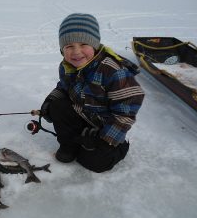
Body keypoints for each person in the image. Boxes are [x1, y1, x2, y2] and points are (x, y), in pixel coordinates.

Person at [40, 13, 145, 173]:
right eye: (69, 46)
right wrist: (50, 100)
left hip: (107, 125)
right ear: (62, 49)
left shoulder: (112, 70)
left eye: (83, 44)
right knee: (57, 105)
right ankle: (69, 145)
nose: (76, 52)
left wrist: (106, 139)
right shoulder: (67, 66)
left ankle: (118, 149)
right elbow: (63, 87)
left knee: (96, 163)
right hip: (83, 114)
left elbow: (126, 111)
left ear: (95, 45)